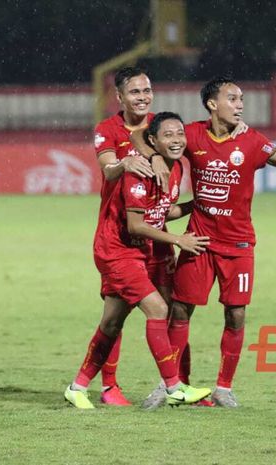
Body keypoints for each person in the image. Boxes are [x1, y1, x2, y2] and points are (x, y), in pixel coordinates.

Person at [131, 76, 276, 408]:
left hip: (239, 246)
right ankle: (172, 384)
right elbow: (141, 134)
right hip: (198, 241)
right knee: (181, 310)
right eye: (233, 98)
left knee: (236, 314)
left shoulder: (253, 141)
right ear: (212, 104)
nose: (240, 104)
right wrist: (154, 157)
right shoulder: (193, 133)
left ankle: (223, 388)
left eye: (241, 99)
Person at [64, 112, 212, 409]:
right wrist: (178, 240)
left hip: (138, 250)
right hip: (117, 249)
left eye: (179, 134)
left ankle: (77, 387)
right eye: (167, 135)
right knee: (157, 308)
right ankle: (174, 388)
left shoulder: (178, 169)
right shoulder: (138, 171)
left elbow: (162, 211)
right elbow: (136, 225)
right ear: (153, 141)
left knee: (112, 321)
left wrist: (195, 205)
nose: (176, 140)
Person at [86, 66, 174, 406]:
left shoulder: (159, 126)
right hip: (119, 236)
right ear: (120, 97)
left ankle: (174, 382)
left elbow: (192, 139)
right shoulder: (107, 129)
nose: (142, 97)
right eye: (135, 92)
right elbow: (107, 167)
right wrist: (125, 163)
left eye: (147, 90)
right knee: (117, 314)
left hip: (155, 234)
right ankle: (109, 386)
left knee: (172, 311)